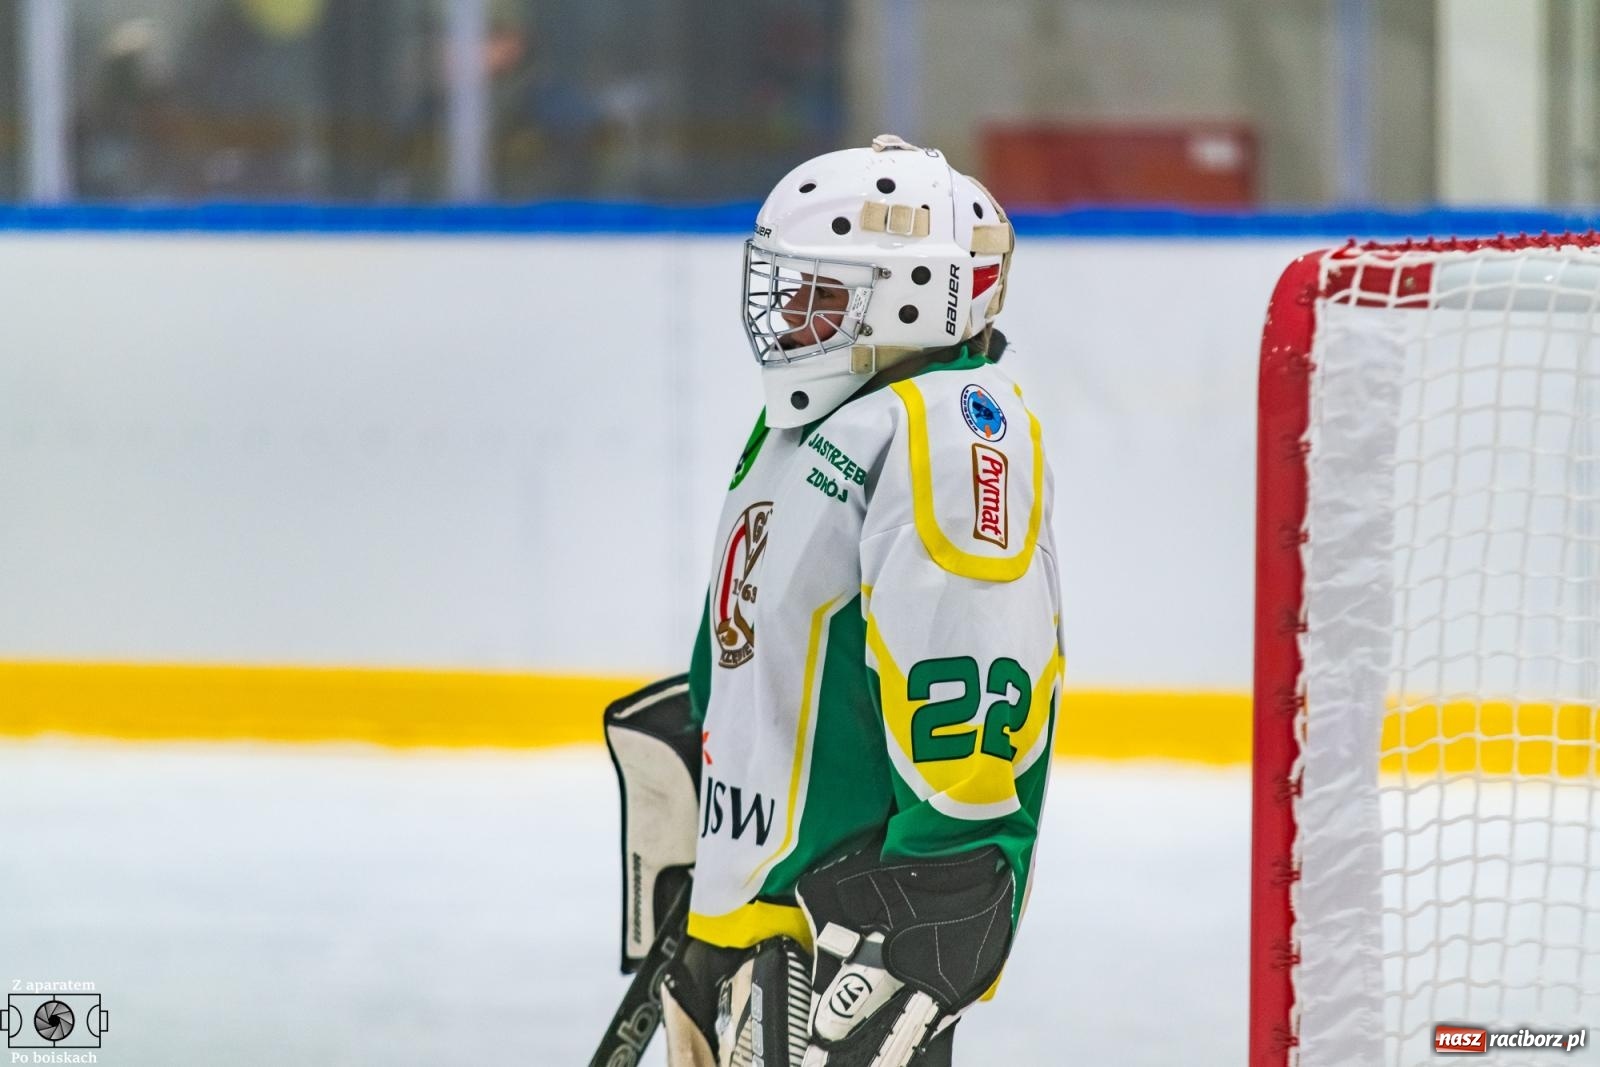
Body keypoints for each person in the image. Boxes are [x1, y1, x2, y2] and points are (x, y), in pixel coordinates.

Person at [603, 134, 1061, 1067]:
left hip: (844, 948)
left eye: (820, 289)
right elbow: (746, 644)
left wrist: (940, 893)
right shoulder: (805, 426)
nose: (789, 313)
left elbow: (969, 664)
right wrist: (706, 886)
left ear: (910, 294)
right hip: (747, 926)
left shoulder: (946, 423)